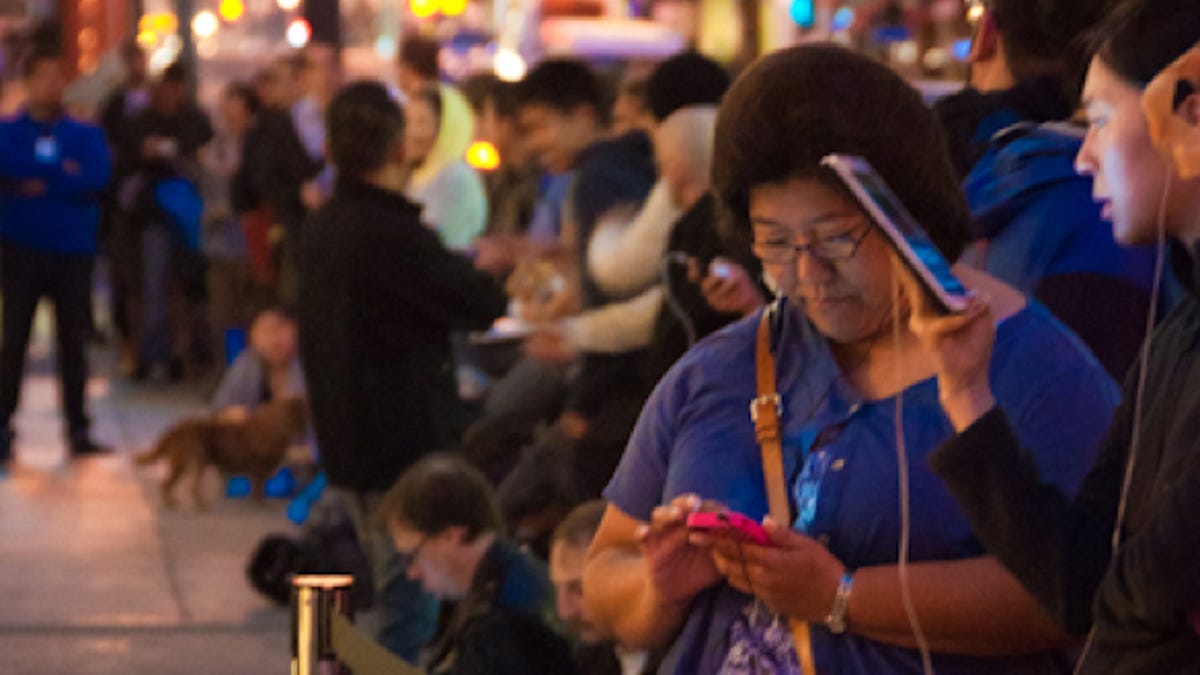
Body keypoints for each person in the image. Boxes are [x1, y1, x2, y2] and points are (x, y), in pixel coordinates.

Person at [583, 44, 1121, 674]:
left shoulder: (1035, 368)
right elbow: (604, 573)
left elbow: (1084, 593)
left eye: (836, 237)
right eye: (775, 243)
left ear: (907, 213)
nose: (808, 274)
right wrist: (659, 584)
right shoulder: (720, 368)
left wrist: (843, 597)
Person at [911, 1, 1200, 672]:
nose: (1084, 157)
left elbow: (1149, 595)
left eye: (1099, 120)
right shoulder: (1176, 334)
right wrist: (966, 393)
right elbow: (1077, 585)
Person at [297, 81, 507, 662]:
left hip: (346, 442)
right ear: (396, 150)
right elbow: (477, 300)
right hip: (401, 443)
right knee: (405, 609)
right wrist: (489, 269)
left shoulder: (322, 228)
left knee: (396, 595)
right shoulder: (394, 233)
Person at [934, 0, 1162, 379]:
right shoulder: (1121, 212)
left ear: (986, 34)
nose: (1086, 157)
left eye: (1101, 120)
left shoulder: (940, 179)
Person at [0, 50, 112, 463]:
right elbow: (6, 164)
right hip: (21, 250)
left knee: (73, 342)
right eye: (43, 77)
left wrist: (38, 182)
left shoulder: (84, 134)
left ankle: (78, 427)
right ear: (28, 82)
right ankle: (2, 426)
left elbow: (97, 175)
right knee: (13, 341)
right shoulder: (8, 130)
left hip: (72, 251)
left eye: (57, 77)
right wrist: (62, 174)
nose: (52, 86)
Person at [381, 453, 577, 675]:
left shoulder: (503, 620)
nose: (411, 573)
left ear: (450, 536)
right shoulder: (505, 577)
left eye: (412, 556)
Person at [124, 61, 214, 381]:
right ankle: (154, 353)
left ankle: (189, 350)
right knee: (154, 283)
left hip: (190, 214)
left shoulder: (194, 120)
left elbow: (204, 148)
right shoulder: (142, 121)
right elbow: (126, 158)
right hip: (154, 216)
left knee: (191, 286)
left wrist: (174, 150)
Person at [552, 500, 656, 675]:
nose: (565, 611)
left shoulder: (695, 653)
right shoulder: (587, 660)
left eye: (579, 589)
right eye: (557, 588)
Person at [200, 81, 260, 363]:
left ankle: (250, 371)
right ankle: (229, 370)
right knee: (224, 313)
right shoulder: (215, 147)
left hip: (249, 241)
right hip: (219, 243)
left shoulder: (256, 146)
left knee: (250, 311)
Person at [405, 84, 487, 250]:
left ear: (446, 127)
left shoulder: (456, 178)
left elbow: (437, 243)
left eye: (422, 122)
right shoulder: (417, 176)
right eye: (408, 121)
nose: (411, 132)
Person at [212, 306, 305, 417]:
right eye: (264, 331)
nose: (273, 340)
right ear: (252, 336)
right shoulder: (246, 363)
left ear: (296, 329)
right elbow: (220, 409)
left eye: (279, 328)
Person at [396, 33, 440, 102]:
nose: (397, 73)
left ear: (407, 69)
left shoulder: (417, 105)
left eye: (398, 65)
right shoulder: (450, 96)